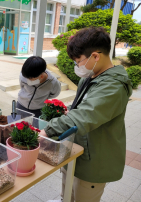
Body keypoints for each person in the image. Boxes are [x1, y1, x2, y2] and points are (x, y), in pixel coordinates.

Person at [42, 27, 132, 202]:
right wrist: (70, 109)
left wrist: (47, 131)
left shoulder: (113, 86)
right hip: (76, 148)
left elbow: (85, 114)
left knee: (82, 195)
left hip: (95, 157)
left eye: (78, 61)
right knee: (67, 192)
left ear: (96, 56)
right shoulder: (90, 76)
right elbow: (82, 107)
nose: (77, 66)